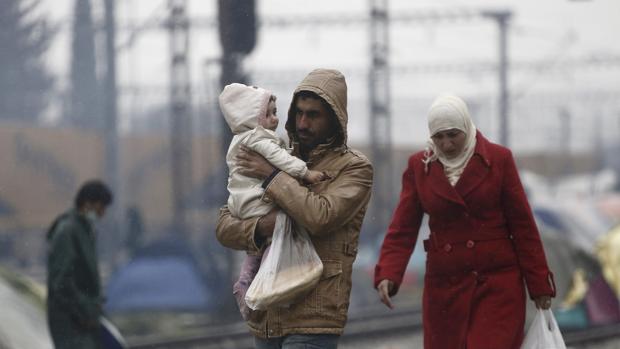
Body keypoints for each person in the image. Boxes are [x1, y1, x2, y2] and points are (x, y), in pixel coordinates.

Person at [374, 94, 556, 349]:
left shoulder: (498, 160)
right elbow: (402, 227)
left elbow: (523, 225)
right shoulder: (420, 167)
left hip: (497, 284)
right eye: (439, 137)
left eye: (453, 134)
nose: (447, 144)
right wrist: (389, 273)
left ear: (466, 127)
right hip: (445, 288)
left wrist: (539, 284)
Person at [216, 68, 373, 349]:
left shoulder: (354, 168)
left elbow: (320, 216)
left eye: (313, 115)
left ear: (335, 119)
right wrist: (261, 226)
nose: (302, 123)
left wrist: (272, 176)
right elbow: (225, 226)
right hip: (268, 313)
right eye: (298, 113)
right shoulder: (275, 153)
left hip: (314, 311)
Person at [219, 82, 325, 320]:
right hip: (257, 200)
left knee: (255, 250)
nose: (275, 120)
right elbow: (280, 159)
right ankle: (268, 280)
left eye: (276, 113)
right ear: (253, 118)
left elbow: (321, 216)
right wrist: (304, 173)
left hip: (242, 203)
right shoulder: (258, 139)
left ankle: (245, 282)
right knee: (278, 230)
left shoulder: (240, 139)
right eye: (269, 114)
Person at [46, 180, 113, 349]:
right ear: (87, 203)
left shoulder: (84, 230)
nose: (103, 213)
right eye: (101, 207)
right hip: (70, 321)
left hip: (83, 321)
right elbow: (61, 281)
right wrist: (85, 309)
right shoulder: (67, 231)